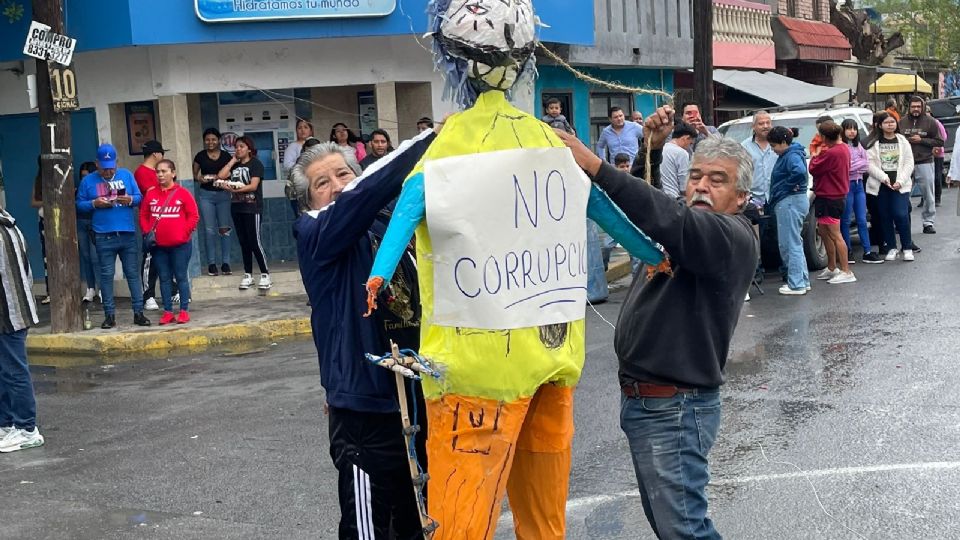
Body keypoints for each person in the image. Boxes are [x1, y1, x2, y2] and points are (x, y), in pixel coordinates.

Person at [556, 104, 757, 540]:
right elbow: (652, 212)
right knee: (673, 528)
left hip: (675, 408)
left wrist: (595, 166)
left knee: (685, 530)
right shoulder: (686, 226)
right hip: (650, 404)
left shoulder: (730, 236)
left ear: (742, 197)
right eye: (696, 176)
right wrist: (655, 147)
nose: (702, 186)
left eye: (717, 180)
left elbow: (667, 217)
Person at [291, 129, 436, 539]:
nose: (337, 188)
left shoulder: (389, 223)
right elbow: (359, 200)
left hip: (417, 402)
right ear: (310, 201)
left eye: (343, 175)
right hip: (364, 414)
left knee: (421, 522)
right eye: (323, 183)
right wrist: (426, 140)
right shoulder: (314, 233)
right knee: (369, 530)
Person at [76, 143, 150, 329]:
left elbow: (139, 197)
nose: (108, 173)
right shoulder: (88, 181)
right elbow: (79, 204)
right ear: (97, 164)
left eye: (111, 168)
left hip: (127, 232)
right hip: (103, 234)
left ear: (116, 163)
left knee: (133, 274)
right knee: (106, 275)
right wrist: (94, 203)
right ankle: (109, 315)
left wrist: (131, 200)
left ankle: (138, 312)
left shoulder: (126, 175)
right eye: (104, 169)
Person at [0, 205, 44, 453]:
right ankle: (6, 424)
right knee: (6, 371)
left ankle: (27, 429)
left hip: (9, 312)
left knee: (14, 371)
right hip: (15, 309)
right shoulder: (11, 226)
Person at [140, 159, 198, 325]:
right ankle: (167, 312)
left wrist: (183, 233)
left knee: (180, 277)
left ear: (173, 173)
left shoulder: (183, 193)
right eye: (158, 171)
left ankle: (184, 311)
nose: (160, 175)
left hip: (181, 245)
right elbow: (143, 215)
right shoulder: (151, 194)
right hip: (159, 247)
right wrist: (147, 231)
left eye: (164, 171)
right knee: (164, 278)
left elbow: (193, 216)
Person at [217, 135, 271, 291]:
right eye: (236, 146)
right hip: (237, 207)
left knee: (254, 241)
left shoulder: (256, 164)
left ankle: (265, 274)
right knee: (243, 242)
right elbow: (221, 176)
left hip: (252, 207)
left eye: (241, 146)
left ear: (249, 148)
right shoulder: (234, 165)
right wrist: (233, 161)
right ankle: (248, 274)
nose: (238, 149)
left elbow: (253, 186)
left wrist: (235, 189)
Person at [809, 121, 855, 284]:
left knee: (835, 234)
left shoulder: (832, 152)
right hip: (829, 194)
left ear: (823, 137)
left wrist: (815, 154)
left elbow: (813, 168)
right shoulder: (842, 148)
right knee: (824, 231)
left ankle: (846, 270)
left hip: (831, 196)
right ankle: (831, 267)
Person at [768, 126, 811, 295]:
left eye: (774, 146)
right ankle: (802, 280)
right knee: (796, 243)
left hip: (789, 202)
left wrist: (786, 188)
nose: (773, 150)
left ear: (784, 142)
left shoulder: (790, 155)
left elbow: (799, 173)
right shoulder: (794, 153)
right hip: (795, 201)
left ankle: (796, 283)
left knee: (789, 244)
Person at [867, 112, 915, 261]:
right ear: (880, 125)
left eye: (892, 122)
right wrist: (884, 178)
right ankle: (892, 247)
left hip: (900, 185)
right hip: (881, 186)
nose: (890, 125)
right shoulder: (874, 143)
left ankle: (907, 247)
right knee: (885, 216)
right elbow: (869, 164)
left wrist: (900, 180)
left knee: (901, 214)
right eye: (886, 122)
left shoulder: (903, 141)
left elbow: (909, 162)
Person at [135, 140, 172, 312]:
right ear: (156, 154)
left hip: (166, 223)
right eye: (162, 154)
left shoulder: (156, 173)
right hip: (151, 224)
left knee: (167, 259)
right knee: (150, 260)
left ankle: (172, 291)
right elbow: (155, 192)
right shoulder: (141, 172)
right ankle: (148, 295)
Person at [840, 119, 882, 264]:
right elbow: (846, 167)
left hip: (859, 186)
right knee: (845, 220)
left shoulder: (859, 146)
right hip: (847, 186)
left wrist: (855, 164)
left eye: (854, 129)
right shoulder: (842, 147)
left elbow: (866, 165)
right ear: (842, 131)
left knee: (862, 220)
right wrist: (857, 164)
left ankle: (867, 251)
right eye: (848, 129)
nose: (852, 132)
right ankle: (848, 251)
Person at [192, 128, 233, 277]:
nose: (210, 142)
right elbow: (194, 174)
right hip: (206, 195)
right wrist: (200, 178)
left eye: (213, 139)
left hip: (223, 195)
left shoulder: (226, 156)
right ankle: (211, 264)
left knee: (224, 229)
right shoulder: (200, 156)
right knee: (209, 230)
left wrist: (225, 180)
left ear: (219, 140)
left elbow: (231, 173)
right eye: (207, 140)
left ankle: (226, 262)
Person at [899, 95, 942, 234]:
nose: (916, 109)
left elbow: (939, 141)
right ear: (909, 108)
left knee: (928, 194)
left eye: (918, 106)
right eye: (913, 106)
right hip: (905, 163)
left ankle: (928, 222)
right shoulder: (901, 122)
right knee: (902, 193)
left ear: (923, 107)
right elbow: (896, 140)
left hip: (924, 161)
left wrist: (921, 140)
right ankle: (901, 222)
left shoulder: (931, 122)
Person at [77, 161, 100, 302]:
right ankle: (90, 288)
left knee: (95, 257)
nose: (84, 178)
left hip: (94, 222)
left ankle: (102, 288)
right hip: (81, 221)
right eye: (82, 176)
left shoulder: (96, 185)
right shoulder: (81, 187)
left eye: (87, 175)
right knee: (85, 257)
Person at [282, 119, 315, 217]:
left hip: (314, 188)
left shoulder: (316, 144)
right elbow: (287, 166)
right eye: (300, 128)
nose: (302, 130)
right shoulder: (293, 146)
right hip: (299, 191)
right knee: (302, 219)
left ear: (311, 130)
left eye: (306, 127)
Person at [742, 110, 775, 205]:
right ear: (753, 126)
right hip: (753, 201)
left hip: (777, 199)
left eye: (768, 123)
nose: (765, 126)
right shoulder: (744, 147)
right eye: (761, 123)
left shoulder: (780, 144)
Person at [29, 159, 49, 305]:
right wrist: (48, 201)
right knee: (47, 258)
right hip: (44, 222)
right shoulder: (38, 181)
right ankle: (50, 291)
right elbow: (33, 202)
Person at [660, 122, 696, 199]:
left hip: (659, 196)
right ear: (686, 138)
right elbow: (684, 186)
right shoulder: (681, 153)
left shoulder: (662, 149)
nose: (689, 147)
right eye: (690, 143)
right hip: (673, 199)